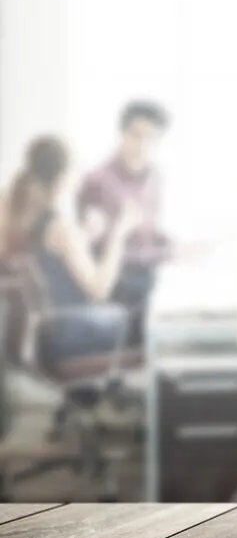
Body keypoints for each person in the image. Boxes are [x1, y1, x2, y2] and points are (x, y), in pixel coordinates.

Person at [2, 136, 140, 366]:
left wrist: (85, 236)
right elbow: (99, 289)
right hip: (73, 333)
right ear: (63, 177)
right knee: (144, 325)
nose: (81, 172)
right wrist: (119, 234)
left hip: (53, 334)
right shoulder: (64, 227)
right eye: (76, 166)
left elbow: (58, 260)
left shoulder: (37, 220)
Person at [76, 101, 176, 339]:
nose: (143, 144)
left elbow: (148, 230)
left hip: (146, 279)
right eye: (136, 135)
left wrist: (172, 245)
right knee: (126, 355)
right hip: (115, 284)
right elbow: (95, 247)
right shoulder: (97, 180)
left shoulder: (156, 176)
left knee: (153, 346)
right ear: (122, 133)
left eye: (151, 138)